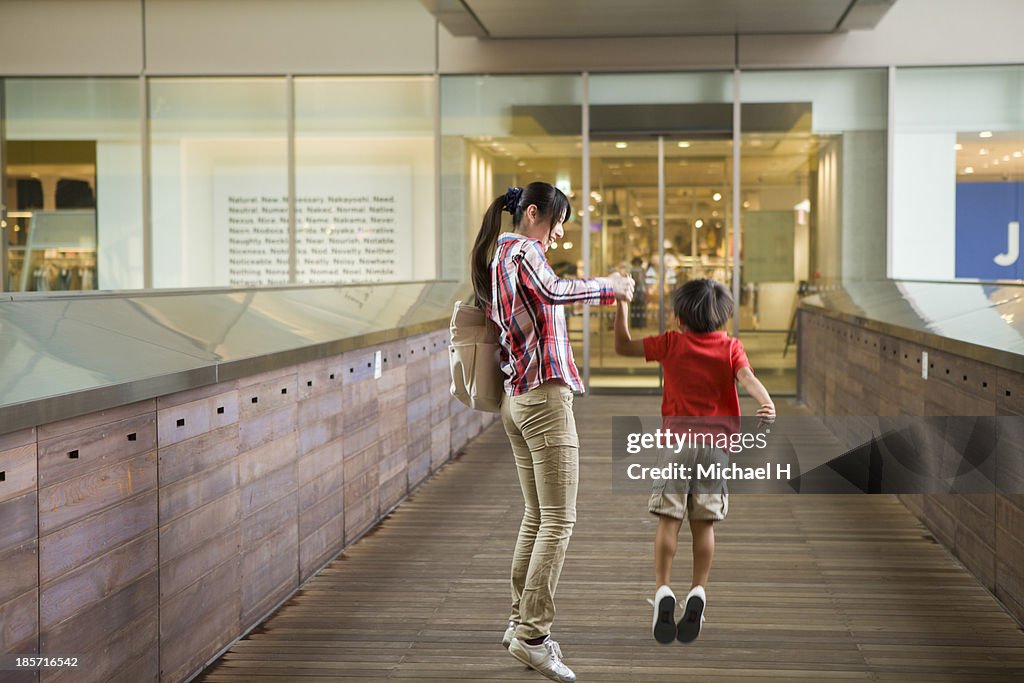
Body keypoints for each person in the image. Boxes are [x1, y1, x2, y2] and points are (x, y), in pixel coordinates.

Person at [471, 182, 634, 682]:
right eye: (558, 222)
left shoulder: (501, 254)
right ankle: (533, 637)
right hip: (542, 398)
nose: (560, 235)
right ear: (534, 214)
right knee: (559, 521)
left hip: (518, 399)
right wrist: (611, 287)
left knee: (537, 516)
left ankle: (520, 622)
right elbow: (553, 290)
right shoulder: (522, 251)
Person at [612, 278, 775, 645]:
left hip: (676, 444)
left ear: (680, 315)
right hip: (716, 448)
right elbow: (747, 378)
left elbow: (622, 346)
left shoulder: (672, 343)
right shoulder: (731, 347)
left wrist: (621, 303)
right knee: (704, 525)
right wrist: (766, 402)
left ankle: (663, 590)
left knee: (669, 521)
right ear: (723, 316)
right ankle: (698, 591)